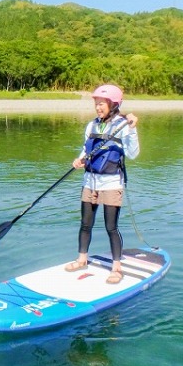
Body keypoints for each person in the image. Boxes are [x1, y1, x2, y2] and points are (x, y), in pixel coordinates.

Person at [64, 84, 139, 284]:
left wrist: (132, 129)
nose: (98, 107)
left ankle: (117, 267)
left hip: (112, 183)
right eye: (96, 104)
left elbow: (133, 154)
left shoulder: (123, 126)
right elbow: (86, 149)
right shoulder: (91, 126)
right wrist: (79, 160)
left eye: (102, 104)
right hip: (90, 181)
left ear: (114, 104)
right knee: (85, 224)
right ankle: (82, 259)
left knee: (111, 227)